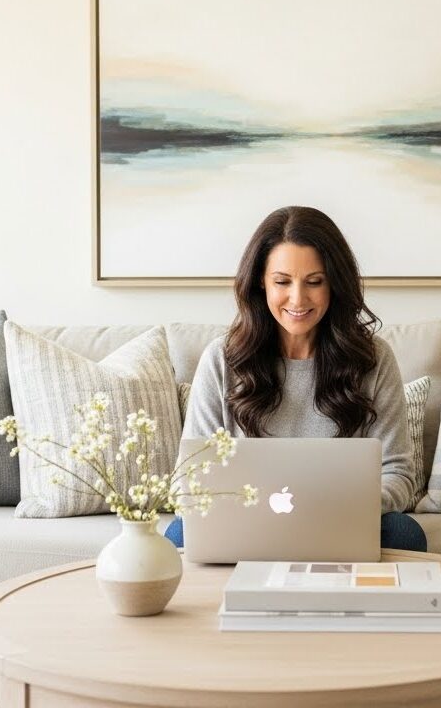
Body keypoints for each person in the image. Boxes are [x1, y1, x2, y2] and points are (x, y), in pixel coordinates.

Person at [165, 205, 426, 552]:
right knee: (178, 535)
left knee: (404, 532)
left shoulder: (373, 359)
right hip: (247, 525)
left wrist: (335, 507)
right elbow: (191, 481)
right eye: (282, 282)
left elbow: (398, 473)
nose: (298, 299)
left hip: (341, 521)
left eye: (314, 282)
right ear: (261, 282)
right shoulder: (222, 359)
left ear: (335, 283)